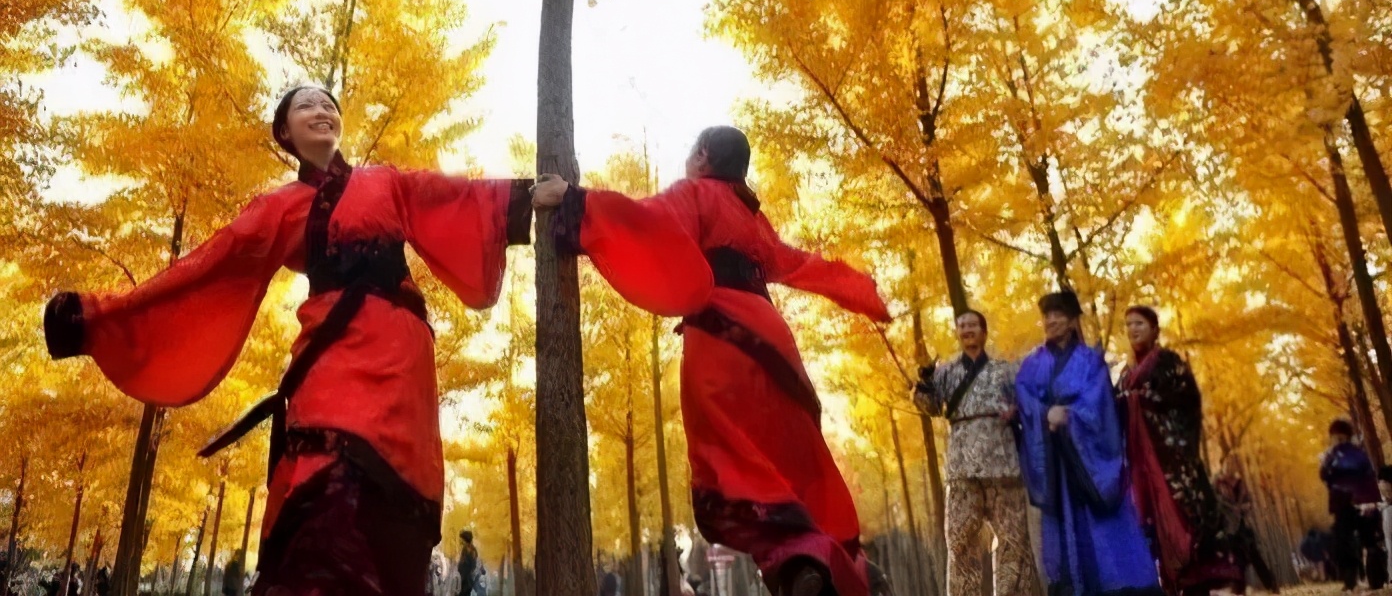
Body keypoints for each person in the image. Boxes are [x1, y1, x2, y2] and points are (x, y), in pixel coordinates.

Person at [42, 85, 533, 595]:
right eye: (306, 106)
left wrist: (526, 198)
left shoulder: (386, 181)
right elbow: (213, 264)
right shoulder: (280, 206)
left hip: (404, 378)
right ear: (284, 131)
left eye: (329, 105)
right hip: (332, 365)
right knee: (325, 499)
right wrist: (98, 317)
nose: (321, 111)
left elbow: (453, 197)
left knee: (393, 532)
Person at [531, 126, 893, 596]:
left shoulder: (696, 194)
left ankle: (800, 563)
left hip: (722, 336)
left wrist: (573, 199)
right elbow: (798, 264)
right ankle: (846, 568)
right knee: (791, 459)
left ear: (702, 156)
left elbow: (645, 221)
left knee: (727, 455)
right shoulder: (751, 219)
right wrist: (860, 291)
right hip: (775, 344)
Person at [1014, 290, 1164, 596]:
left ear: (1072, 321)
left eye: (1058, 315)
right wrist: (1045, 414)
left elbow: (1100, 404)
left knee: (1105, 530)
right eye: (1047, 316)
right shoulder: (1032, 364)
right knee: (1062, 533)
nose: (1051, 321)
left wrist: (1070, 416)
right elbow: (1024, 398)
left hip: (1089, 460)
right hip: (1055, 463)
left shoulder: (1090, 360)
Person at [1116, 305, 1244, 595]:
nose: (1133, 329)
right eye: (1128, 324)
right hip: (1139, 466)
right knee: (1152, 530)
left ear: (1155, 329)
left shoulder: (1168, 362)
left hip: (1172, 465)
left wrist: (1148, 402)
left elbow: (1188, 404)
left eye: (1139, 323)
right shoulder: (1125, 374)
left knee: (1185, 525)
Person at [913, 309, 1037, 596]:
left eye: (972, 325)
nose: (967, 329)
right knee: (960, 543)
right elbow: (931, 407)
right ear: (958, 333)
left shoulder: (1005, 371)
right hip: (962, 470)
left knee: (1013, 541)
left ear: (984, 332)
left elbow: (1028, 405)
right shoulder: (945, 374)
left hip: (1003, 466)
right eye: (962, 326)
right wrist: (924, 382)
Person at [1320, 418, 1387, 592]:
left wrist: (1371, 501)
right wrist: (1326, 463)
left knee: (1369, 541)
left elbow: (1368, 476)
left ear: (1347, 437)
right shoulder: (1331, 456)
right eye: (1335, 437)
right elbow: (1325, 477)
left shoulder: (1357, 454)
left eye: (1341, 437)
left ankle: (1377, 580)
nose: (1338, 440)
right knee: (1342, 542)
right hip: (1342, 505)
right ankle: (1350, 581)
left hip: (1362, 503)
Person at [1212, 454, 1279, 593]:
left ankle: (1270, 584)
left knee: (1253, 554)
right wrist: (1229, 508)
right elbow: (1215, 502)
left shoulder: (1240, 483)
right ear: (1222, 464)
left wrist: (1244, 507)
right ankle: (1239, 589)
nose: (1230, 467)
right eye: (1228, 463)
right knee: (1237, 558)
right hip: (1226, 525)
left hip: (1241, 524)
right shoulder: (1217, 483)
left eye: (1233, 464)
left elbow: (1249, 501)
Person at [457, 530, 479, 595]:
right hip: (469, 580)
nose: (460, 541)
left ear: (465, 539)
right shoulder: (473, 549)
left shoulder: (466, 549)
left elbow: (462, 565)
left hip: (464, 579)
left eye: (461, 539)